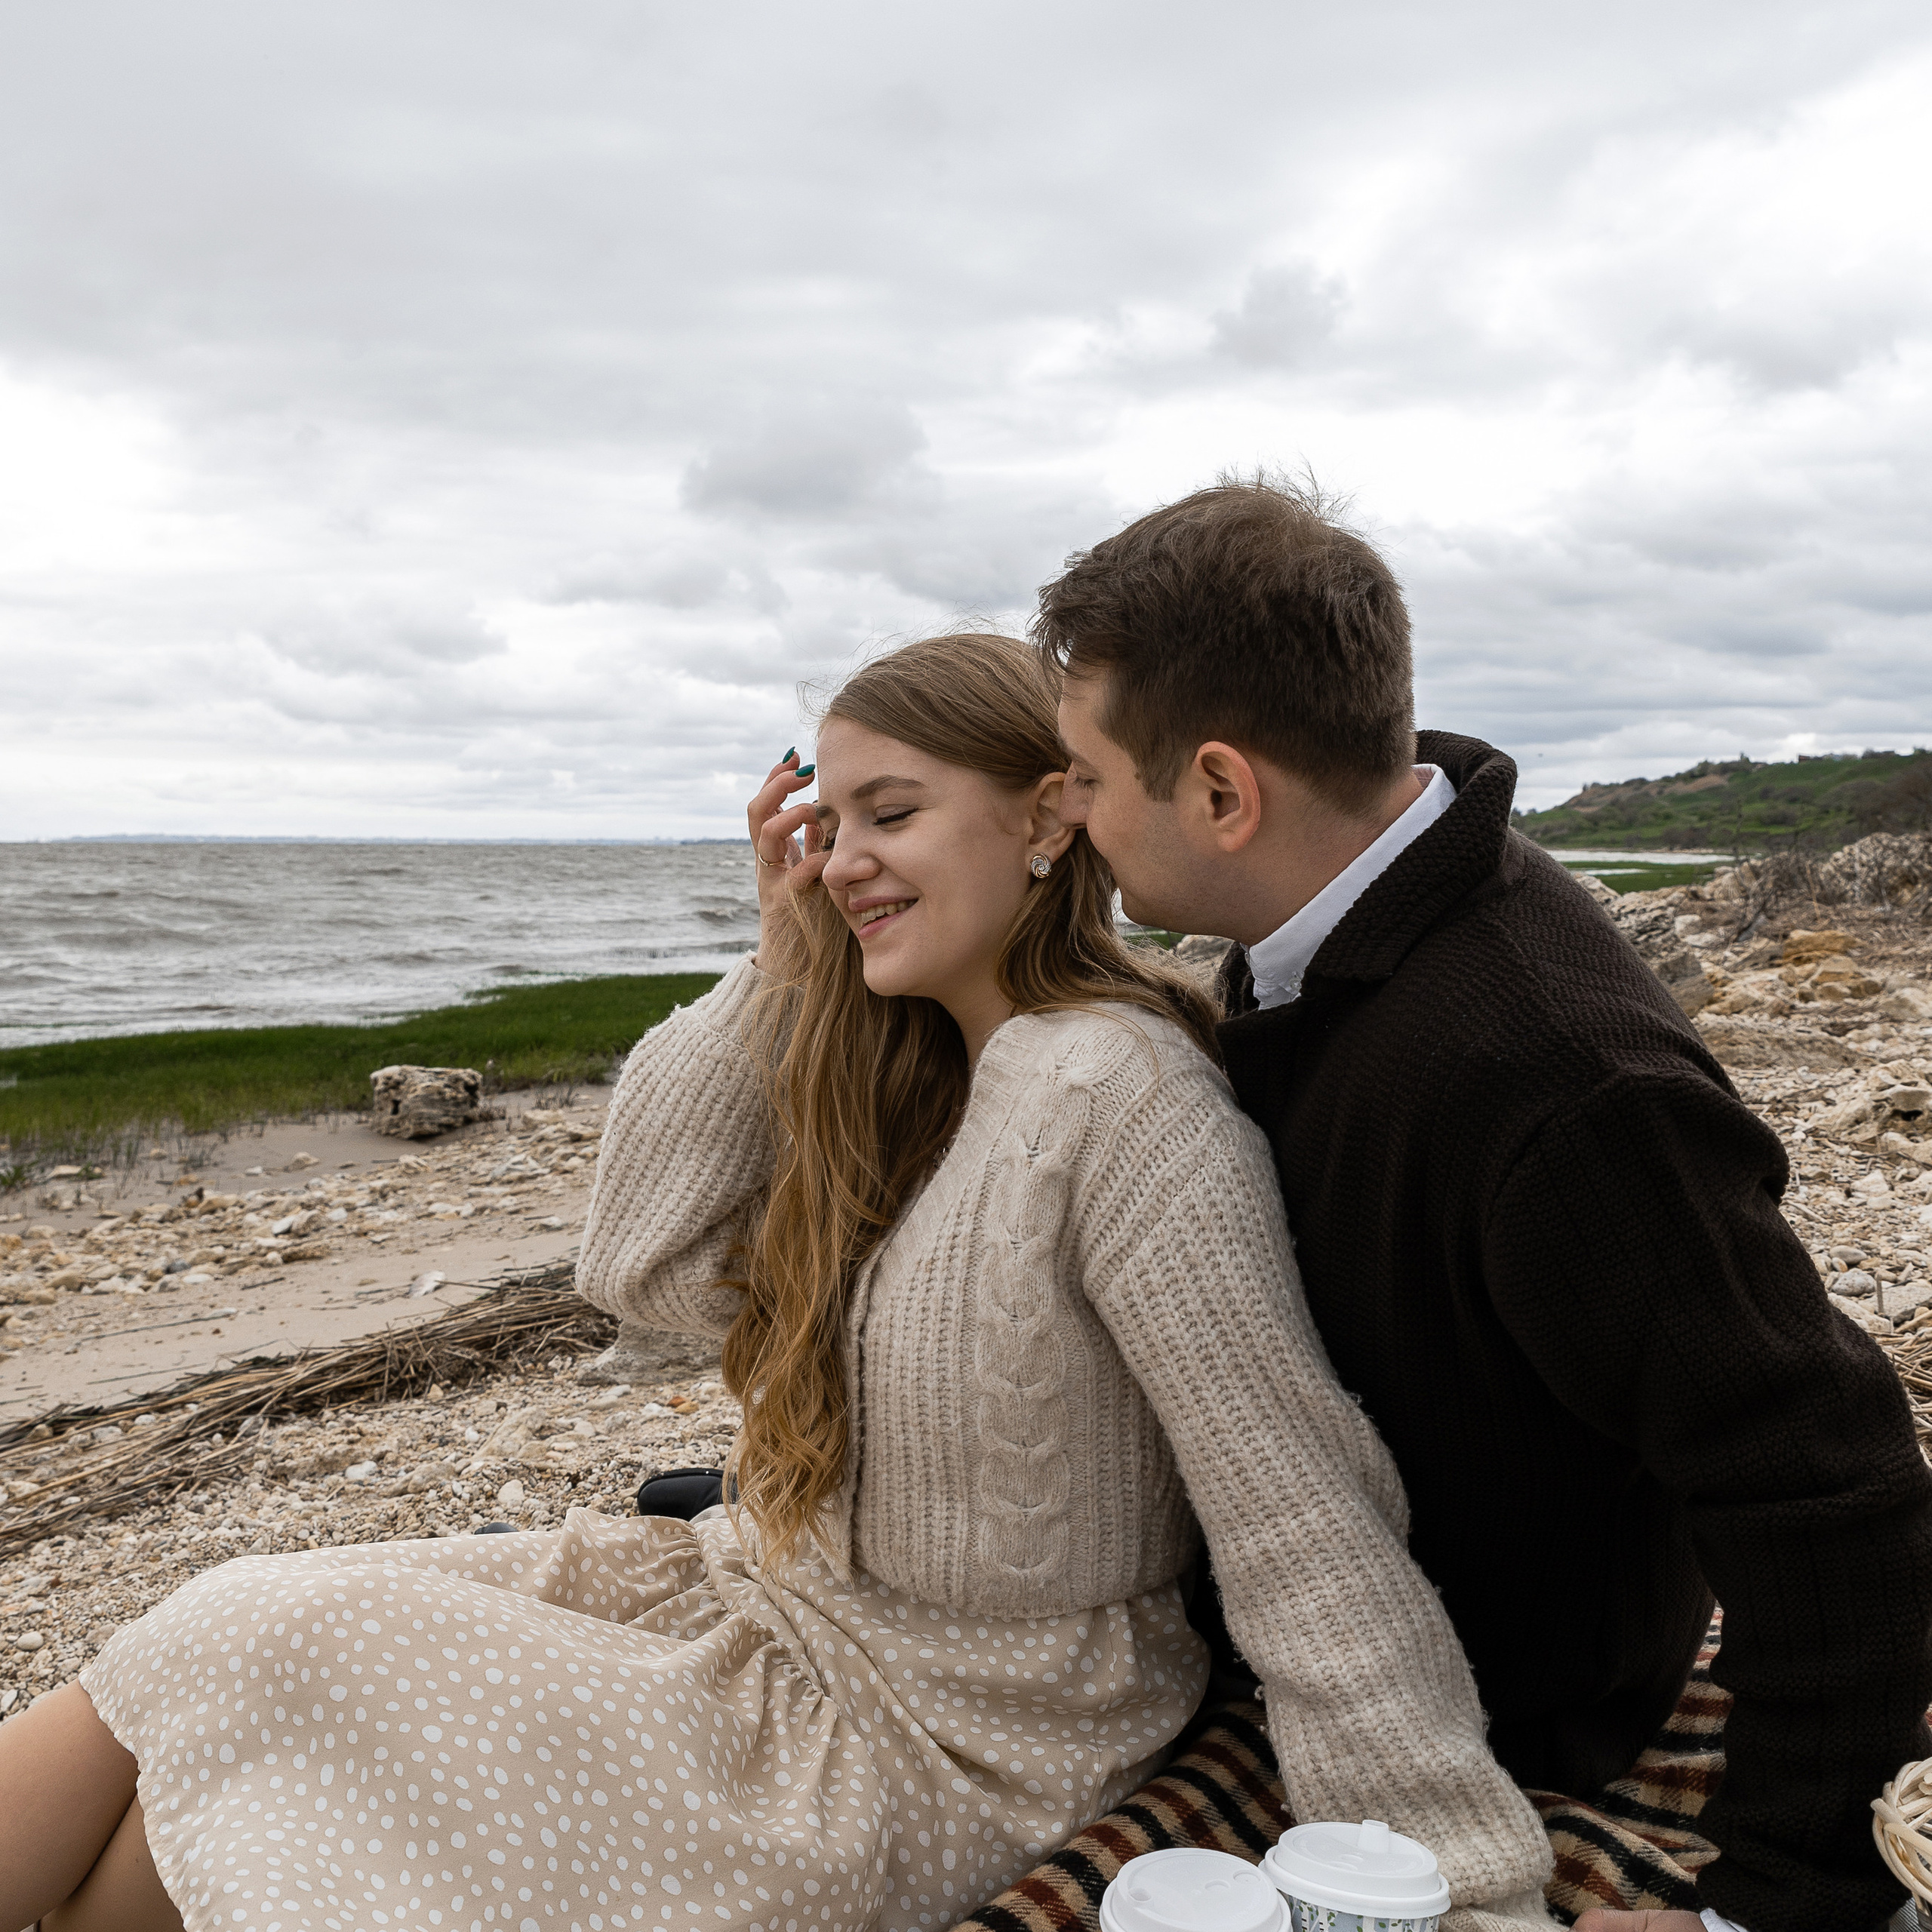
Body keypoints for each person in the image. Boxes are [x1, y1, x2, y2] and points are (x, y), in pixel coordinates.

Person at [0, 632, 1558, 1932]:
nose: (847, 858)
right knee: (225, 1631)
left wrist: (1454, 1876)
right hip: (769, 1600)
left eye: (890, 812)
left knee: (268, 1659)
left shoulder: (1118, 1097)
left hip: (935, 1733)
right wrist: (782, 949)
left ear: (1042, 818)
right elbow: (644, 1258)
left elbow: (1292, 1502)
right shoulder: (928, 1070)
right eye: (829, 824)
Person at [1039, 477, 1932, 1932]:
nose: (1065, 814)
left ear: (1220, 791)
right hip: (1304, 1581)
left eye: (1083, 776)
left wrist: (1774, 1902)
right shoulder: (1317, 936)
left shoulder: (1560, 1077)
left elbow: (1827, 1474)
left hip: (1487, 1699)